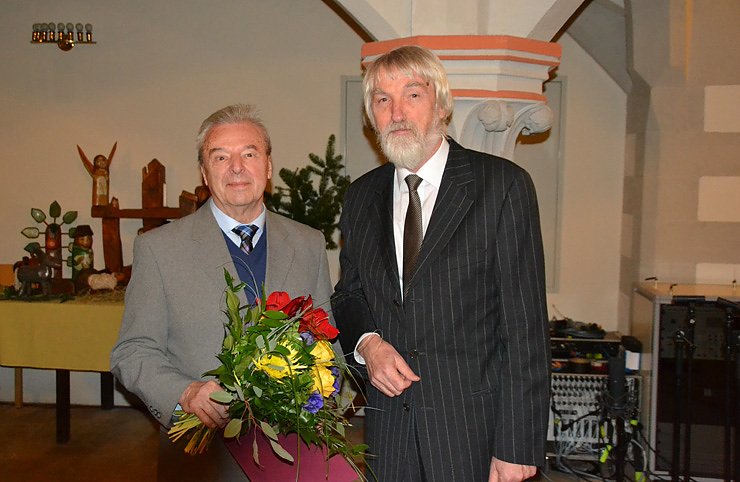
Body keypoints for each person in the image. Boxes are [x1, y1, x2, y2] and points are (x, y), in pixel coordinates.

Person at [331, 45, 551, 482]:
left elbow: (525, 328)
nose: (397, 112)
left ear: (442, 105)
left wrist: (517, 446)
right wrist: (368, 345)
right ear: (371, 116)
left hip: (474, 434)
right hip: (390, 433)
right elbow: (349, 294)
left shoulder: (501, 186)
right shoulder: (361, 197)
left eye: (412, 95)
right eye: (382, 100)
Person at [110, 104, 335, 481]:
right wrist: (185, 393)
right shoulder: (159, 249)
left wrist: (326, 408)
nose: (236, 167)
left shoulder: (308, 244)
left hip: (294, 454)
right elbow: (132, 351)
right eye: (220, 156)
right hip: (202, 455)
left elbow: (328, 342)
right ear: (204, 172)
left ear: (268, 166)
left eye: (249, 154)